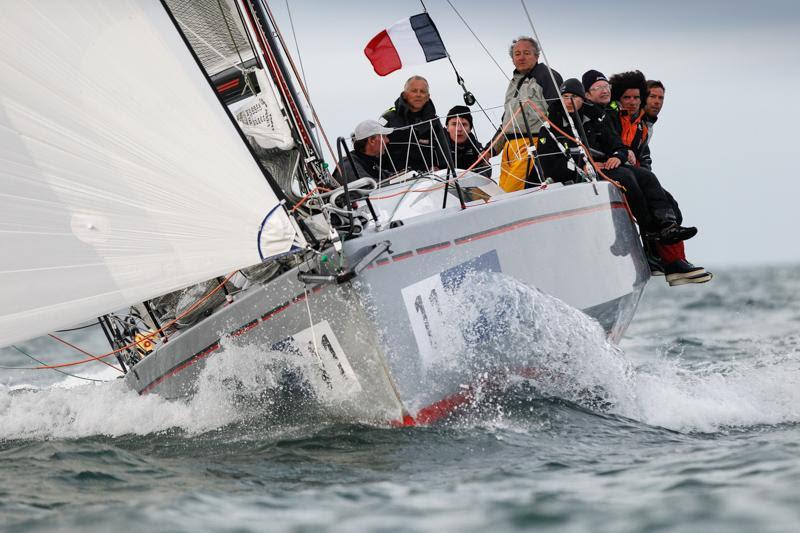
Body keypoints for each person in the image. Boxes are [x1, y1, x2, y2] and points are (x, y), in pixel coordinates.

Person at [581, 70, 711, 286]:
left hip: (632, 170)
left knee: (670, 207)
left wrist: (631, 160)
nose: (656, 102)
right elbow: (611, 141)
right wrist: (621, 155)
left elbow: (643, 156)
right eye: (652, 97)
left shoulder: (642, 125)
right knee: (645, 194)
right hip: (617, 170)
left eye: (660, 98)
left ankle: (672, 259)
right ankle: (663, 258)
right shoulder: (616, 114)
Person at [494, 36, 563, 192]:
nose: (521, 57)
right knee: (500, 192)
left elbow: (559, 111)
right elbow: (507, 121)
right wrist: (490, 150)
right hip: (509, 148)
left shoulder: (546, 76)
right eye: (517, 54)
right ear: (512, 59)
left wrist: (552, 145)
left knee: (510, 193)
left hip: (532, 142)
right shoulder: (513, 83)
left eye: (527, 53)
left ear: (537, 56)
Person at [380, 76, 444, 174]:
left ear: (427, 97)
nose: (418, 95)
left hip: (428, 181)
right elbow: (375, 148)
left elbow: (444, 154)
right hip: (393, 181)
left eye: (422, 92)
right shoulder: (388, 118)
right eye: (414, 91)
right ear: (405, 95)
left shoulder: (434, 121)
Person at [333, 119, 393, 185]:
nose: (387, 140)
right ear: (371, 140)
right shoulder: (348, 164)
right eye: (384, 136)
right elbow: (365, 185)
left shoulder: (370, 162)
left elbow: (389, 177)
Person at [444, 105, 491, 177]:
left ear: (470, 129)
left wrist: (485, 164)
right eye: (454, 124)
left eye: (464, 124)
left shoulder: (476, 148)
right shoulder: (437, 145)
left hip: (468, 185)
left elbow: (485, 174)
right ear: (447, 128)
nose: (459, 129)